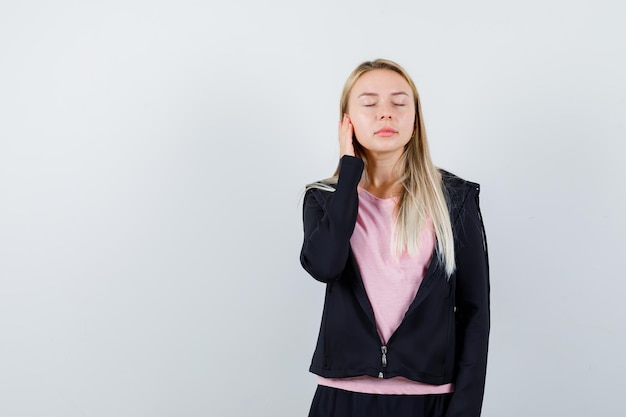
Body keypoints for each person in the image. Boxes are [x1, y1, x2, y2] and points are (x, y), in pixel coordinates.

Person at [299, 59, 490, 417]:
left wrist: (464, 410)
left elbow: (474, 312)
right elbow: (325, 265)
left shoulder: (455, 199)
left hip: (430, 400)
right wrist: (349, 170)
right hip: (342, 399)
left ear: (415, 121)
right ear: (347, 122)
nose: (386, 114)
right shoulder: (323, 199)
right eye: (369, 104)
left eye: (399, 103)